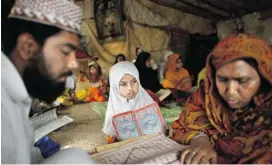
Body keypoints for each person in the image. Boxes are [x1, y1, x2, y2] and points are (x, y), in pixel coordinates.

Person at [1, 0, 97, 163]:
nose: (73, 64)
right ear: (28, 47)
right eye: (65, 51)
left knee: (76, 158)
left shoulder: (18, 94)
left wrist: (36, 153)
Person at [171, 34, 272, 164]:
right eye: (222, 79)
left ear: (264, 77)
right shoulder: (207, 94)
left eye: (243, 80)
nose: (231, 91)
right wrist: (200, 140)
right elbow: (184, 125)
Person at [103, 61, 165, 143]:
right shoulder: (114, 109)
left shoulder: (146, 101)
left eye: (134, 81)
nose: (130, 88)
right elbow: (111, 133)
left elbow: (158, 127)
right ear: (115, 86)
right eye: (123, 84)